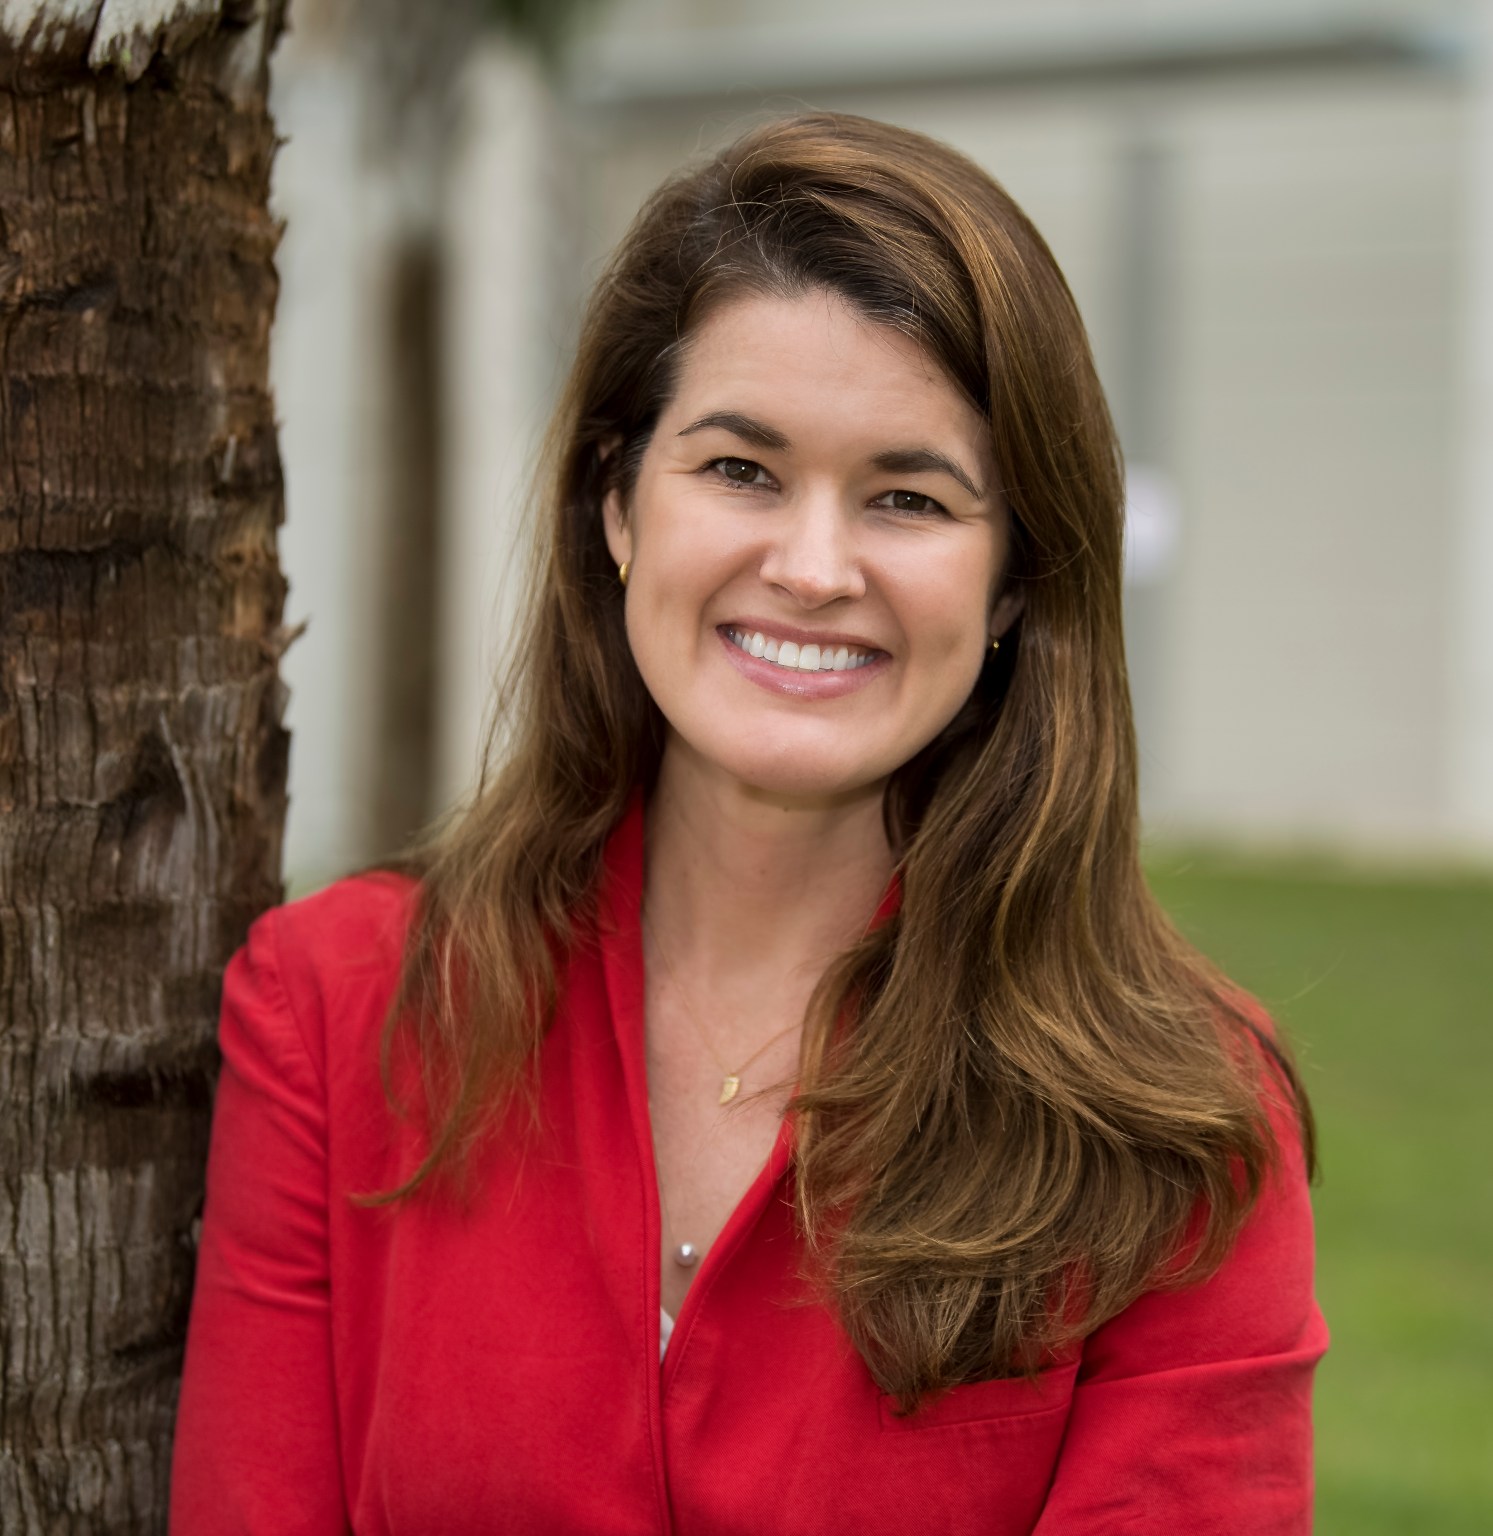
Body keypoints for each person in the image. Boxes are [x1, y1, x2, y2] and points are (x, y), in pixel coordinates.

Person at [170, 111, 1327, 1533]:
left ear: (1016, 582)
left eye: (907, 496)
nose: (813, 566)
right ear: (616, 503)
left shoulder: (1175, 1130)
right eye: (738, 470)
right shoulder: (336, 1013)